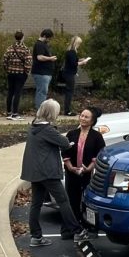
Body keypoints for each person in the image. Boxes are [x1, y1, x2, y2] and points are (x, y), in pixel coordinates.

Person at [22, 99, 86, 246]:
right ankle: (77, 231)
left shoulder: (33, 126)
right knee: (63, 200)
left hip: (35, 171)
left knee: (36, 204)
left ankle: (36, 236)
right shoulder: (47, 130)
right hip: (48, 171)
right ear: (52, 113)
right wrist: (69, 143)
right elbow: (64, 143)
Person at [62, 107, 106, 225]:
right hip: (71, 172)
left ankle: (87, 225)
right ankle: (71, 226)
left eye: (86, 117)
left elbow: (100, 153)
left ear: (92, 121)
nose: (83, 118)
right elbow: (65, 151)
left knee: (87, 200)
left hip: (87, 173)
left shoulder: (97, 136)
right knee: (71, 199)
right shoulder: (71, 134)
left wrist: (90, 167)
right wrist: (70, 166)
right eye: (81, 115)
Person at [3, 31, 31, 119]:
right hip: (20, 74)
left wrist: (7, 70)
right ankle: (15, 113)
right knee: (17, 92)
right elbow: (28, 62)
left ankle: (8, 112)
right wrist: (26, 72)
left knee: (10, 92)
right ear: (22, 38)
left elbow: (4, 61)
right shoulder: (25, 49)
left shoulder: (10, 48)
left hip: (11, 73)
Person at [62, 36, 90, 116]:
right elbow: (74, 64)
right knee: (69, 92)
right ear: (76, 43)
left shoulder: (71, 51)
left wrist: (81, 59)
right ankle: (67, 111)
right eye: (79, 44)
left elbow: (74, 60)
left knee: (69, 91)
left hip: (69, 73)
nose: (79, 45)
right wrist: (83, 62)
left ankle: (67, 110)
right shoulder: (72, 52)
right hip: (69, 74)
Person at [31, 28, 57, 109]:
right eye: (49, 38)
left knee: (43, 91)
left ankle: (41, 108)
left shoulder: (44, 45)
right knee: (42, 91)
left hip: (46, 72)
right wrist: (50, 58)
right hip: (41, 72)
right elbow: (40, 57)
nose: (49, 40)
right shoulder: (39, 44)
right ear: (45, 36)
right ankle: (40, 109)